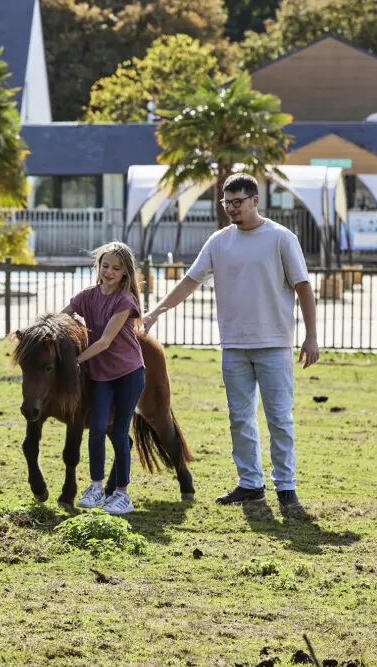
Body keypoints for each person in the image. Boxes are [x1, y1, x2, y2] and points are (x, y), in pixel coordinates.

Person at [143, 173, 320, 509]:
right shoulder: (219, 241)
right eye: (226, 203)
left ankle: (286, 487)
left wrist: (311, 337)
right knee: (240, 418)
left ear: (255, 200)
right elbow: (190, 282)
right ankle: (250, 483)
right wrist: (155, 313)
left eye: (238, 202)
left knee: (279, 418)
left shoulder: (282, 238)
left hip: (274, 344)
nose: (232, 209)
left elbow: (304, 288)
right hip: (234, 345)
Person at [63, 241, 145, 515]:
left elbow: (106, 340)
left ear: (125, 273)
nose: (109, 271)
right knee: (97, 428)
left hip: (129, 373)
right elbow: (63, 317)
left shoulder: (125, 300)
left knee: (119, 432)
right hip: (101, 375)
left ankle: (122, 494)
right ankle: (96, 487)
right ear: (98, 266)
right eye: (105, 265)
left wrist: (75, 361)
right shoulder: (87, 295)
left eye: (116, 268)